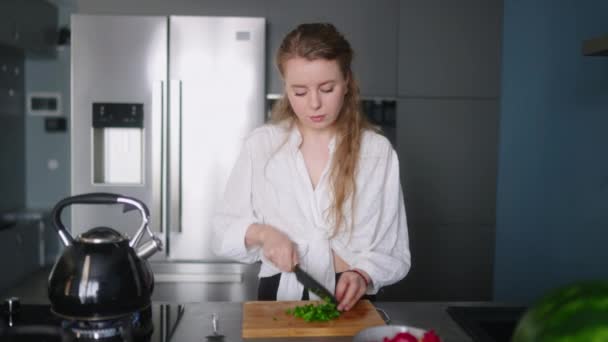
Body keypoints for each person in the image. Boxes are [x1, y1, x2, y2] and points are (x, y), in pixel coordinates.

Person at [212, 23, 410, 311]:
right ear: (285, 87)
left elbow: (394, 249)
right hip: (279, 294)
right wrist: (265, 234)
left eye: (327, 88)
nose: (314, 104)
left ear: (347, 83)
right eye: (300, 91)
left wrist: (362, 274)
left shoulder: (376, 153)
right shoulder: (262, 146)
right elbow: (222, 231)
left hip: (350, 298)